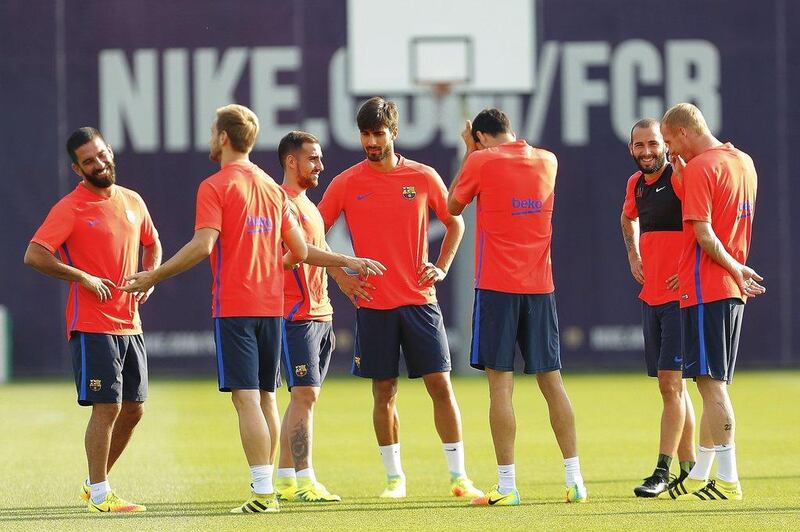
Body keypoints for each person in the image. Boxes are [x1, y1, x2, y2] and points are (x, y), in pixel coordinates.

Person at [121, 104, 308, 514]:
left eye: (212, 130)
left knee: (245, 400)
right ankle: (269, 487)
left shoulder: (216, 185)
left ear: (224, 137)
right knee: (266, 399)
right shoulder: (273, 188)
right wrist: (267, 267)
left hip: (236, 307)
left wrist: (154, 275)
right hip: (271, 306)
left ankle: (262, 493)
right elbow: (297, 250)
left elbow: (203, 244)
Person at [317, 96, 482, 500]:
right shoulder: (346, 182)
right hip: (373, 304)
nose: (371, 142)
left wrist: (440, 267)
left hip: (419, 301)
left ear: (394, 132)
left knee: (440, 385)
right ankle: (394, 479)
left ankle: (458, 476)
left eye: (378, 133)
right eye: (365, 134)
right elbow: (309, 233)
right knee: (383, 392)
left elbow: (454, 222)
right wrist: (340, 275)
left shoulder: (423, 176)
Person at [447, 108, 587, 506]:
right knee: (552, 382)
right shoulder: (549, 160)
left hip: (497, 287)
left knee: (500, 387)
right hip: (540, 287)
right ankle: (575, 479)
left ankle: (507, 486)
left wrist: (467, 151)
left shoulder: (480, 160)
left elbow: (452, 206)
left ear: (480, 137)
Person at [24, 127, 162, 513]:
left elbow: (153, 242)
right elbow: (35, 254)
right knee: (108, 407)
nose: (99, 164)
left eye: (102, 155)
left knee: (134, 408)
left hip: (130, 322)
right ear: (76, 168)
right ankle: (101, 494)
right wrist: (80, 275)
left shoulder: (133, 200)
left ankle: (92, 484)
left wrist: (151, 273)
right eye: (89, 161)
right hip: (92, 323)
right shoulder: (70, 207)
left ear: (110, 151)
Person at [658, 103, 764, 501]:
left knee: (711, 385)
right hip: (726, 288)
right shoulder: (743, 162)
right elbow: (723, 217)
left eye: (669, 141)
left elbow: (704, 233)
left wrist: (735, 267)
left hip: (708, 288)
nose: (669, 152)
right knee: (709, 384)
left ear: (684, 133)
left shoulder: (703, 166)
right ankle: (702, 473)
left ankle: (730, 478)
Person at [274, 131, 386, 503]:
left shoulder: (306, 204)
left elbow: (313, 250)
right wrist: (347, 262)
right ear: (292, 162)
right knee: (304, 394)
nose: (320, 165)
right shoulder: (282, 203)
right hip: (295, 314)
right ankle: (305, 479)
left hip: (319, 313)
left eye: (320, 159)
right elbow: (301, 252)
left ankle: (287, 479)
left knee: (303, 397)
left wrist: (338, 280)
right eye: (313, 159)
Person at [621, 119, 696, 497]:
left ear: (665, 145)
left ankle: (662, 471)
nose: (646, 151)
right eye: (639, 145)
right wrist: (633, 254)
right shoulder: (635, 185)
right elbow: (626, 219)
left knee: (671, 385)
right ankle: (689, 469)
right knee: (674, 387)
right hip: (652, 296)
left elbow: (704, 224)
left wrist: (689, 272)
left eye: (653, 144)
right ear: (631, 148)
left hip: (680, 300)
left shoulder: (681, 178)